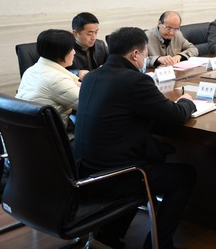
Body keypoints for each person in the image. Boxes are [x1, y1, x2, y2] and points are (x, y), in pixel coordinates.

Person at [74, 27, 197, 249]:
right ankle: (158, 244)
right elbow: (175, 115)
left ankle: (109, 236)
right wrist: (186, 101)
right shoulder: (134, 80)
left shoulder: (91, 77)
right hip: (115, 177)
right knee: (185, 176)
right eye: (145, 52)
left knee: (152, 158)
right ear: (135, 54)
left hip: (84, 172)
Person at [16, 29, 80, 126]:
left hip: (28, 130)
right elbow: (91, 105)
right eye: (71, 49)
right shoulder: (57, 79)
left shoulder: (30, 71)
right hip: (56, 133)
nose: (74, 52)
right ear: (60, 52)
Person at [69, 12, 108, 78]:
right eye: (89, 34)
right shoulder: (67, 49)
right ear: (75, 33)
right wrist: (77, 72)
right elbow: (56, 72)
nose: (94, 37)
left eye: (96, 32)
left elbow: (113, 62)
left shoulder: (100, 45)